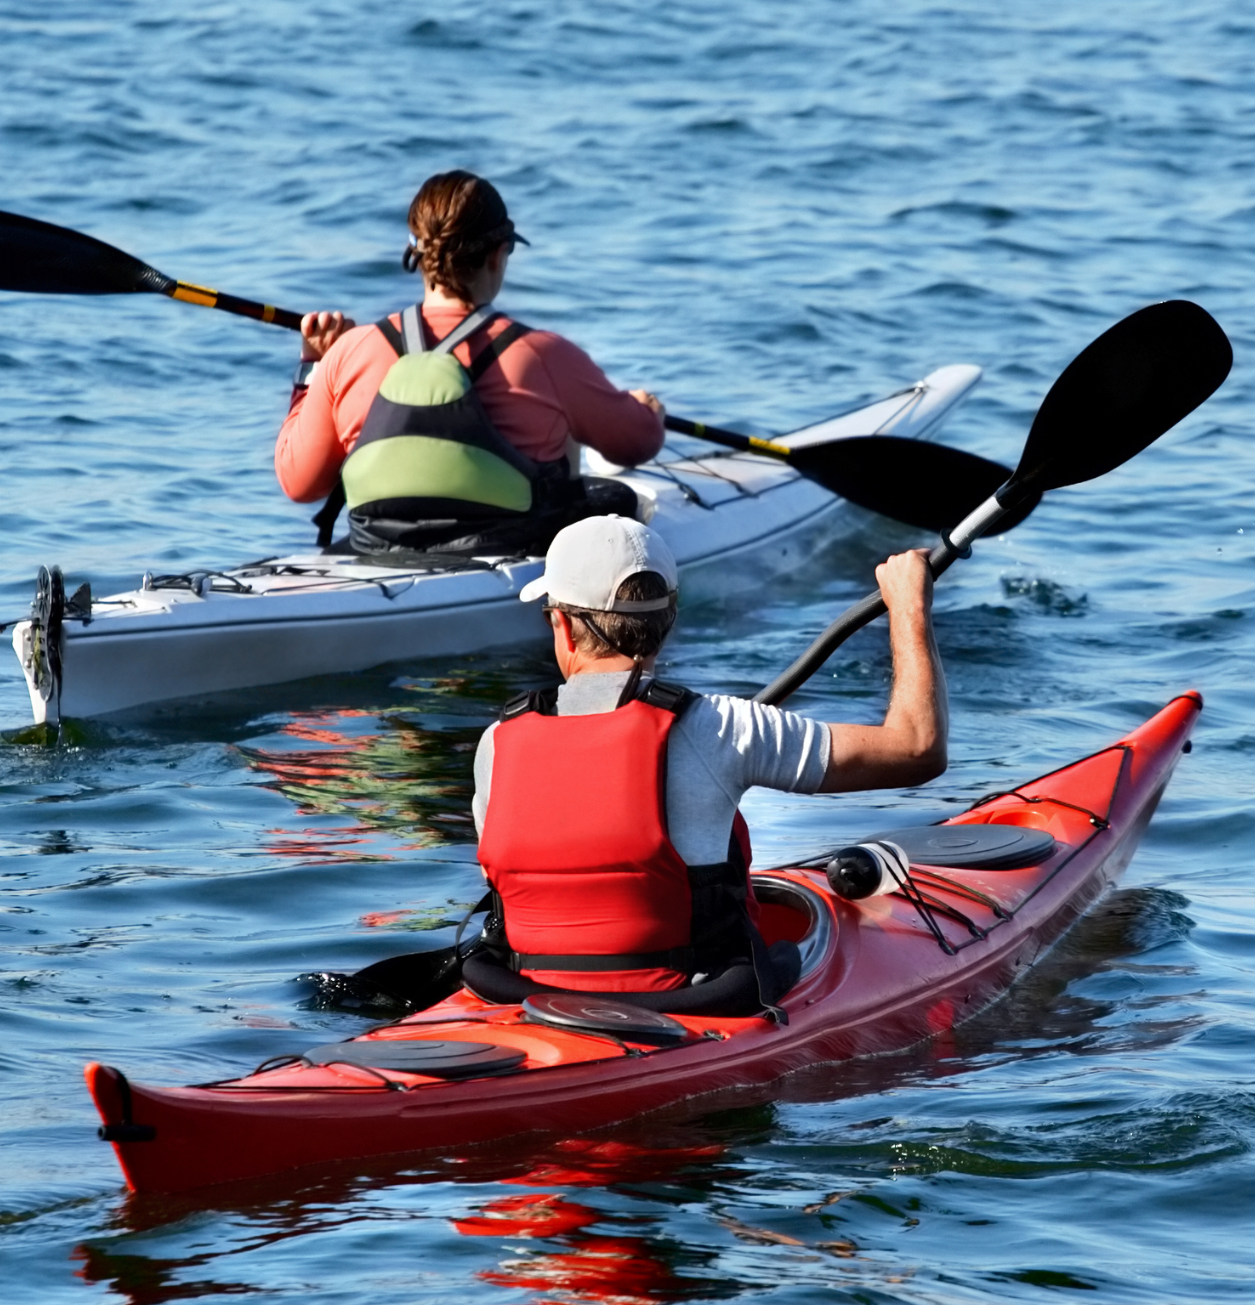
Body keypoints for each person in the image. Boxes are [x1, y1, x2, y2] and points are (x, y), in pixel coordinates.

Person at [462, 515, 948, 1016]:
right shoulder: (722, 728)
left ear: (561, 624)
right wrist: (909, 607)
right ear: (668, 621)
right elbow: (917, 748)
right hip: (687, 1003)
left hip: (524, 1000)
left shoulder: (497, 742)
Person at [276, 171, 668, 556]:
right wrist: (646, 412)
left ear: (418, 255)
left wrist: (312, 367)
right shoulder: (542, 355)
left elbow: (300, 484)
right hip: (509, 549)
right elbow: (636, 444)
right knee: (614, 494)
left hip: (377, 550)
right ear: (498, 256)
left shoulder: (348, 352)